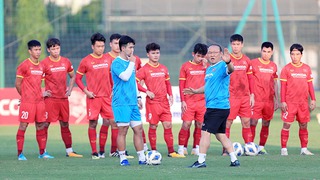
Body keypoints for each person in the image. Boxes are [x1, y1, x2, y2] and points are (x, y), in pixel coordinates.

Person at [186, 44, 240, 168]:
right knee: (220, 134)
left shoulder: (222, 65)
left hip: (217, 106)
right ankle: (234, 159)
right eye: (210, 52)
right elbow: (208, 87)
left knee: (205, 132)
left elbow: (231, 69)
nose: (212, 54)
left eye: (215, 52)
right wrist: (195, 91)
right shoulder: (210, 69)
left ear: (221, 54)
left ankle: (200, 161)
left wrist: (229, 62)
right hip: (219, 107)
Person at [136, 42, 185, 158]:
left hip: (164, 102)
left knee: (168, 125)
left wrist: (171, 95)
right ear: (148, 54)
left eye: (157, 53)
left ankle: (171, 151)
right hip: (152, 103)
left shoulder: (163, 68)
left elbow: (167, 83)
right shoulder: (144, 69)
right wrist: (146, 91)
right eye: (153, 53)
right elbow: (135, 82)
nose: (156, 55)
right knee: (153, 126)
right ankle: (153, 151)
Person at [105, 33, 148, 157]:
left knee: (138, 130)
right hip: (121, 102)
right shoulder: (116, 63)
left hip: (132, 102)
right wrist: (132, 63)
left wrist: (138, 97)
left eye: (133, 47)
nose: (132, 50)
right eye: (130, 47)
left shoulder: (131, 63)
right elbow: (124, 77)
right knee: (123, 131)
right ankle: (123, 157)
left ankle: (142, 157)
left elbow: (133, 81)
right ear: (123, 48)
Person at [41, 38, 83, 158]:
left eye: (57, 48)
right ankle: (42, 151)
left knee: (65, 124)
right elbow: (36, 79)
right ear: (49, 50)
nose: (56, 51)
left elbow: (72, 76)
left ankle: (69, 151)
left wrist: (69, 90)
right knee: (45, 124)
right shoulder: (44, 63)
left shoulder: (66, 61)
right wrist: (41, 93)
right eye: (53, 49)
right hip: (50, 99)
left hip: (63, 99)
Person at [75, 33, 113, 159]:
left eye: (102, 46)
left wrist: (113, 89)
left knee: (110, 122)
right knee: (93, 123)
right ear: (92, 46)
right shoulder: (86, 61)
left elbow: (111, 76)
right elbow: (78, 79)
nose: (100, 49)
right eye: (98, 46)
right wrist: (86, 91)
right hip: (94, 97)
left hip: (107, 97)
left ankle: (103, 150)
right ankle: (94, 151)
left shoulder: (108, 59)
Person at [15, 40, 54, 160]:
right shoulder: (24, 65)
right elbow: (17, 84)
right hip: (28, 103)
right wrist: (25, 96)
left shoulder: (42, 66)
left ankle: (42, 153)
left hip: (40, 102)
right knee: (23, 126)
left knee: (41, 125)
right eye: (35, 50)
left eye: (39, 49)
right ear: (29, 51)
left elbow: (39, 83)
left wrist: (43, 93)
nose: (38, 52)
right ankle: (20, 154)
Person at [280, 43, 316, 156]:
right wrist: (283, 101)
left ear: (301, 55)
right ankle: (284, 149)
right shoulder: (286, 69)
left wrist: (313, 99)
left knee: (304, 125)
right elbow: (283, 87)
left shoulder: (306, 68)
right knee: (286, 125)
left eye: (297, 54)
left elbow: (310, 85)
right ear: (290, 55)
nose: (295, 56)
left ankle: (304, 149)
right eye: (292, 54)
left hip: (303, 102)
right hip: (290, 102)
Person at [223, 34, 254, 156]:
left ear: (242, 45)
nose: (236, 47)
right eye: (234, 44)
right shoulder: (226, 59)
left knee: (246, 122)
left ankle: (249, 147)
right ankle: (226, 149)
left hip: (245, 97)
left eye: (238, 44)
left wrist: (252, 95)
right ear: (231, 45)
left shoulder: (247, 60)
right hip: (231, 96)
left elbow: (250, 78)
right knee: (228, 123)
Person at [177, 43, 208, 156]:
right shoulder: (185, 66)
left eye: (203, 56)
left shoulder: (206, 67)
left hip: (202, 101)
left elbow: (211, 80)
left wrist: (205, 67)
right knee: (186, 124)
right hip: (189, 100)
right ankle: (182, 147)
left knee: (200, 124)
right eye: (198, 55)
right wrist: (183, 100)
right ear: (193, 54)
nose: (200, 58)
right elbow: (181, 84)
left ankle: (196, 147)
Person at [250, 42, 279, 154]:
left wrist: (277, 99)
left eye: (268, 52)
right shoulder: (253, 63)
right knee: (253, 122)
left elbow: (275, 84)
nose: (266, 54)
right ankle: (251, 146)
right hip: (256, 99)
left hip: (269, 100)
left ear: (271, 53)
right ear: (261, 51)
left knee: (266, 123)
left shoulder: (273, 66)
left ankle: (261, 147)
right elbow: (249, 80)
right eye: (264, 51)